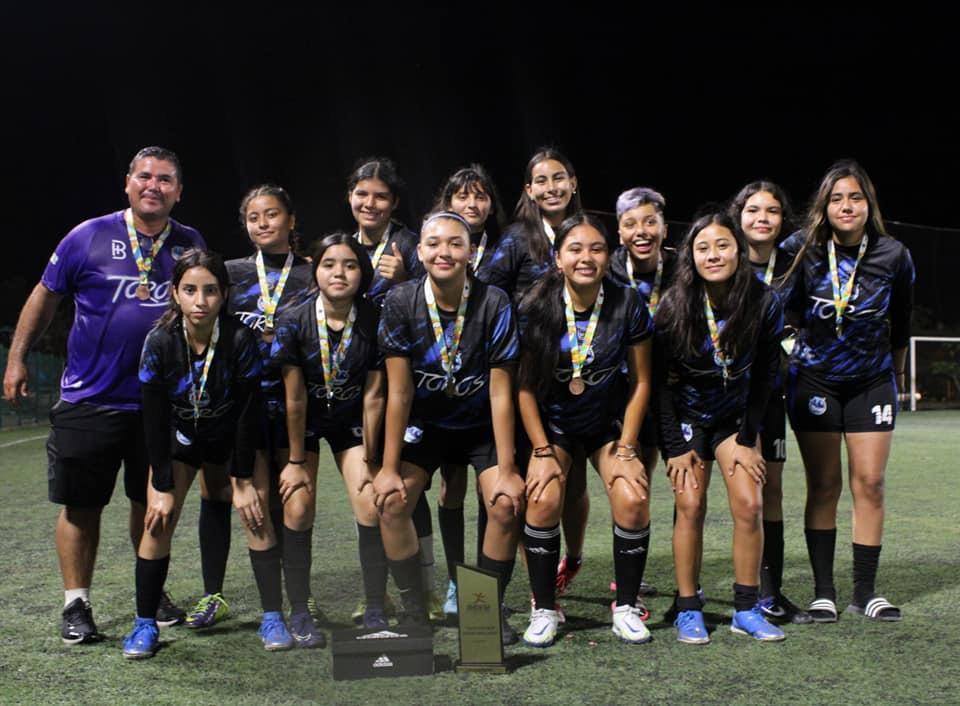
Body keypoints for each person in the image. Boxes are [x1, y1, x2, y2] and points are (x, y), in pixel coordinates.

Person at [2, 146, 204, 644]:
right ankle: (76, 602)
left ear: (179, 191)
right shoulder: (87, 236)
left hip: (160, 403)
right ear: (128, 183)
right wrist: (16, 357)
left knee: (151, 504)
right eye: (144, 176)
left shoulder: (190, 244)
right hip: (90, 399)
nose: (153, 185)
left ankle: (149, 591)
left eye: (165, 179)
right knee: (80, 507)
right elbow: (45, 295)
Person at [374, 212, 524, 643]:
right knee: (391, 502)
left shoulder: (494, 301)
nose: (445, 252)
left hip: (479, 425)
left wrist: (509, 468)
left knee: (504, 503)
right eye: (434, 243)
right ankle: (415, 612)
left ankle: (484, 612)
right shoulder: (401, 301)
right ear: (419, 252)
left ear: (471, 252)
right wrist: (388, 468)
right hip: (426, 426)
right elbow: (398, 393)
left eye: (455, 243)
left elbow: (500, 392)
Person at [781, 161, 914, 623]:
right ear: (824, 205)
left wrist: (896, 379)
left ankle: (865, 591)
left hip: (872, 381)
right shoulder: (801, 250)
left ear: (868, 204)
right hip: (815, 380)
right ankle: (823, 592)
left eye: (855, 197)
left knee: (870, 483)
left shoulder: (894, 255)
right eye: (837, 198)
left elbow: (902, 323)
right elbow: (782, 312)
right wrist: (793, 352)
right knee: (824, 485)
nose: (846, 206)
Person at [181, 185, 315, 631]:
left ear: (291, 220)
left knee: (289, 501)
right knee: (219, 493)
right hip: (238, 404)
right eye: (253, 216)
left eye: (272, 214)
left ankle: (298, 598)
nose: (262, 223)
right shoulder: (230, 272)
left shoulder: (313, 274)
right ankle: (213, 593)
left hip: (295, 403)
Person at [517, 214, 654, 647]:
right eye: (575, 249)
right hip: (553, 423)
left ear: (608, 255)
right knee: (543, 498)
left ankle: (627, 606)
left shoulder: (628, 302)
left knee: (633, 497)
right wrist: (540, 450)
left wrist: (629, 447)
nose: (586, 257)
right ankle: (544, 608)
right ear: (558, 259)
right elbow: (522, 388)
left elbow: (642, 380)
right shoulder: (535, 306)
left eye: (596, 248)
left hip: (605, 425)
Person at [654, 210, 786, 644]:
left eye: (723, 245)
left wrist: (749, 439)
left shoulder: (764, 301)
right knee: (690, 505)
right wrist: (674, 446)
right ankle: (689, 607)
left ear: (739, 249)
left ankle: (746, 608)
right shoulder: (674, 306)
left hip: (734, 421)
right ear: (691, 256)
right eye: (703, 248)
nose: (714, 255)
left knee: (749, 504)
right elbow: (659, 386)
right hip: (690, 419)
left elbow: (767, 374)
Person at [122, 250, 262, 658]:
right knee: (158, 521)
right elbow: (153, 416)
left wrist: (243, 477)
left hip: (224, 434)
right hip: (179, 438)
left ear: (224, 294)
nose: (200, 300)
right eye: (190, 290)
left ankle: (214, 597)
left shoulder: (239, 338)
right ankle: (145, 623)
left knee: (226, 501)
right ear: (175, 294)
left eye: (210, 291)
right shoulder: (160, 340)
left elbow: (247, 410)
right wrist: (162, 482)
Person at [483, 147, 590, 604]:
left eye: (559, 178)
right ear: (529, 190)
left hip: (583, 372)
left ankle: (575, 557)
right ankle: (538, 589)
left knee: (577, 481)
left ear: (573, 182)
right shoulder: (515, 240)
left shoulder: (587, 233)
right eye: (541, 181)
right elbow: (489, 293)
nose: (551, 187)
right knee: (539, 484)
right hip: (532, 377)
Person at [269, 232, 386, 639]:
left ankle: (374, 606)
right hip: (304, 425)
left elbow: (374, 396)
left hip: (352, 421)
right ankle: (300, 611)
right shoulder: (293, 319)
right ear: (315, 270)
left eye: (350, 265)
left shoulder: (373, 318)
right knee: (298, 507)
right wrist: (297, 462)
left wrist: (371, 459)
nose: (339, 273)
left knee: (371, 505)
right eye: (329, 264)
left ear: (362, 272)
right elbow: (295, 396)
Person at [346, 158, 437, 619]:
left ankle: (421, 587)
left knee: (402, 487)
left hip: (408, 380)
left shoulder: (410, 246)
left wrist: (406, 280)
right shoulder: (345, 248)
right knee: (373, 488)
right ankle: (376, 594)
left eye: (380, 196)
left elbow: (441, 296)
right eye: (362, 194)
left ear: (394, 203)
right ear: (350, 198)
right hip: (359, 377)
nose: (370, 203)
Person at [729, 180, 811, 625]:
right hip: (721, 396)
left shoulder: (794, 267)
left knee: (770, 491)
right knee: (698, 498)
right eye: (753, 209)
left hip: (772, 394)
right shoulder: (722, 257)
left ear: (783, 220)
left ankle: (770, 593)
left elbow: (799, 322)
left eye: (773, 211)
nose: (762, 218)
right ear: (738, 215)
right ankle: (690, 595)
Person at [429, 164, 506, 620]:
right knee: (450, 486)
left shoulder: (506, 248)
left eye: (480, 197)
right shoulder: (437, 247)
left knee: (490, 491)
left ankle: (482, 589)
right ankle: (457, 580)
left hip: (487, 382)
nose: (471, 205)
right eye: (462, 197)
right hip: (440, 395)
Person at [607, 186, 675, 608]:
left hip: (676, 390)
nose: (642, 231)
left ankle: (683, 574)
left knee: (687, 487)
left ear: (664, 227)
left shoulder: (685, 268)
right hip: (627, 391)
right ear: (619, 232)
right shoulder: (608, 269)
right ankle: (631, 575)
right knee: (636, 480)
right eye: (631, 224)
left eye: (650, 221)